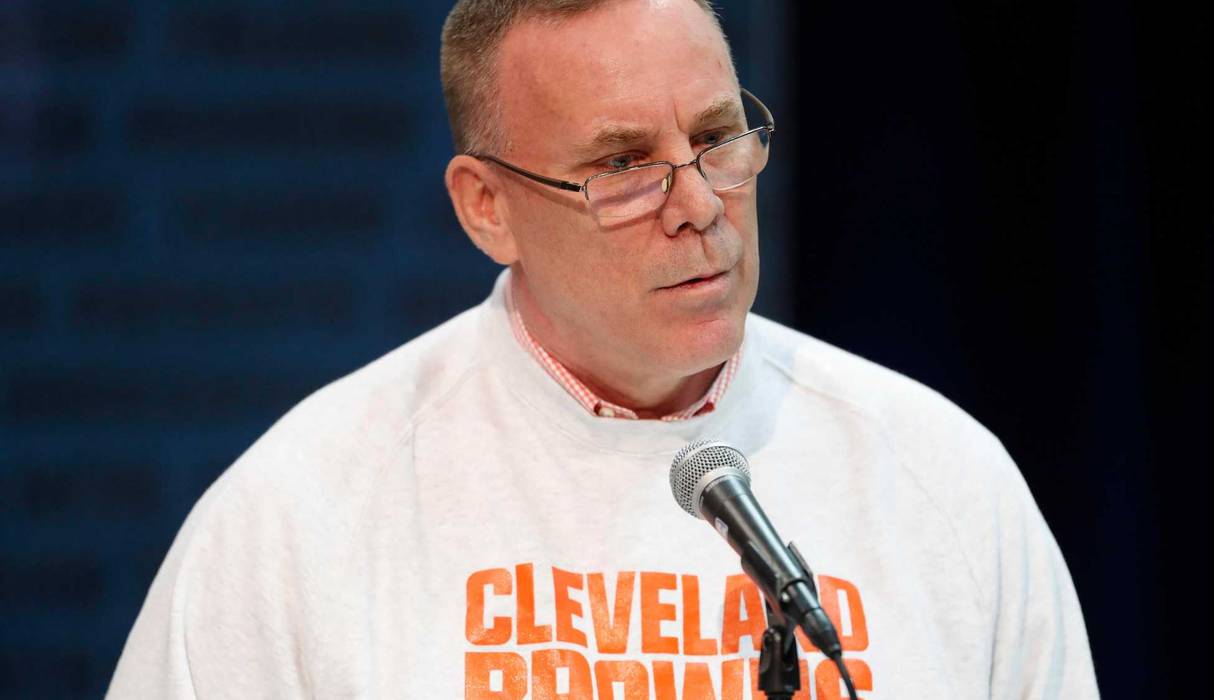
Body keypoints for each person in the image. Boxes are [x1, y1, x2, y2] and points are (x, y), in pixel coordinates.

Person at [108, 0, 1099, 697]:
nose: (700, 204)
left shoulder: (941, 478)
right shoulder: (301, 516)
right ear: (486, 207)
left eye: (717, 138)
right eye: (623, 166)